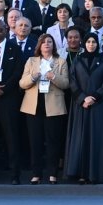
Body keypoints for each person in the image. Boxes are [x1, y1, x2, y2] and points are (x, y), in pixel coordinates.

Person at [19, 33, 70, 185]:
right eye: (43, 42)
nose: (47, 44)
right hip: (33, 107)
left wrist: (53, 77)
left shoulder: (61, 61)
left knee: (53, 142)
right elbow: (22, 83)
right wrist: (33, 77)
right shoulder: (31, 61)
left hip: (53, 107)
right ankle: (36, 174)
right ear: (39, 46)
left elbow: (66, 84)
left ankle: (52, 173)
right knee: (35, 142)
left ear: (54, 45)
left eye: (49, 42)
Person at [63, 33, 103, 184]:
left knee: (98, 139)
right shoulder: (77, 60)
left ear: (98, 44)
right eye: (88, 42)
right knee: (81, 138)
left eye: (93, 42)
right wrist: (82, 98)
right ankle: (81, 173)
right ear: (84, 44)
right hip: (81, 106)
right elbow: (72, 81)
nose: (91, 44)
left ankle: (96, 174)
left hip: (99, 106)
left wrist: (94, 98)